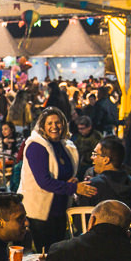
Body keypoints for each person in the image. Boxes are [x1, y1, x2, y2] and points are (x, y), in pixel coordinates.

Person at [19, 107, 92, 249]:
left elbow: (65, 174)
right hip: (41, 212)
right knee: (46, 252)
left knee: (58, 251)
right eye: (50, 123)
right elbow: (44, 182)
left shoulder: (64, 145)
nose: (54, 126)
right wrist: (74, 188)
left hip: (60, 207)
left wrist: (73, 181)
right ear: (42, 126)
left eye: (58, 122)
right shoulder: (36, 147)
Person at [78, 135, 131, 217]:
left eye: (95, 154)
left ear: (106, 160)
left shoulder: (92, 186)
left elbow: (81, 220)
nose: (91, 157)